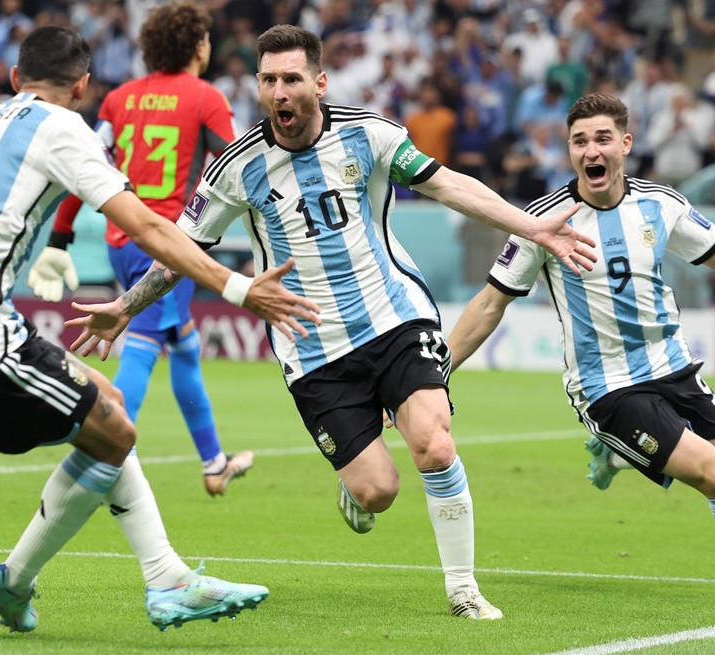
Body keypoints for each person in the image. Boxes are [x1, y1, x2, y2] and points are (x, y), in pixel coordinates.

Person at [64, 25, 597, 621]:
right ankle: (355, 483)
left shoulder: (369, 134)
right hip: (312, 347)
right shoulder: (237, 168)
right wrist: (125, 306)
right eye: (268, 80)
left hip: (394, 317)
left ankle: (463, 589)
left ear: (319, 82)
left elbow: (447, 184)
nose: (279, 92)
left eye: (291, 78)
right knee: (379, 490)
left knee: (434, 444)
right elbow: (184, 252)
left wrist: (531, 226)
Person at [0, 26, 322, 633]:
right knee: (115, 431)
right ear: (82, 86)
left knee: (107, 414)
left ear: (12, 79)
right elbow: (152, 228)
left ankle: (132, 579)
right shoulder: (62, 129)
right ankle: (135, 581)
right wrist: (240, 287)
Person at [446, 93, 715, 601]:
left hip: (672, 365)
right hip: (606, 385)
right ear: (569, 151)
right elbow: (491, 304)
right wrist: (437, 371)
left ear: (625, 144)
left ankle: (619, 456)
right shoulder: (546, 220)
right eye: (579, 142)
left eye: (602, 138)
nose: (590, 151)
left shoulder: (660, 204)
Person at [26, 2, 253, 497]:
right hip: (170, 247)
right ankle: (99, 450)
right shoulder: (207, 98)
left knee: (186, 347)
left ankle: (214, 462)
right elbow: (239, 171)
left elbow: (84, 171)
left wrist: (61, 235)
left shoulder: (119, 100)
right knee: (143, 348)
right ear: (199, 46)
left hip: (120, 238)